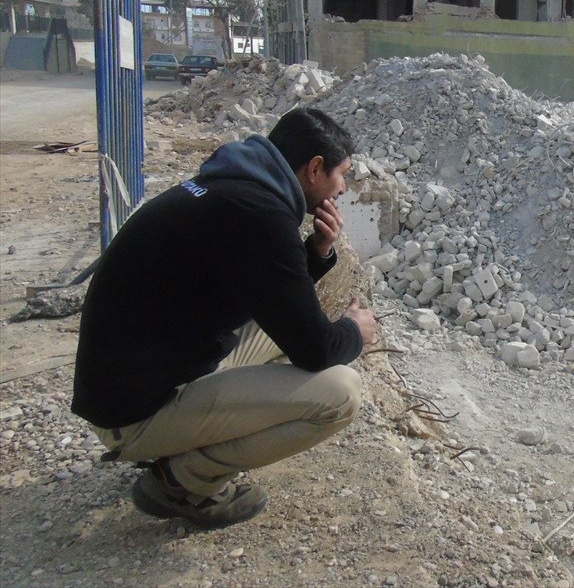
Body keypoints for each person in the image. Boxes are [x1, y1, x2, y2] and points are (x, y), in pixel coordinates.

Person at [71, 107, 377, 529]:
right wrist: (355, 332)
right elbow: (318, 348)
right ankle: (180, 480)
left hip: (129, 383)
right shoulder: (262, 217)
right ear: (314, 168)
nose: (342, 188)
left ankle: (181, 444)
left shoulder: (234, 187)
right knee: (341, 393)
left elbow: (272, 295)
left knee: (285, 333)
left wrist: (318, 252)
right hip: (130, 417)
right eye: (341, 175)